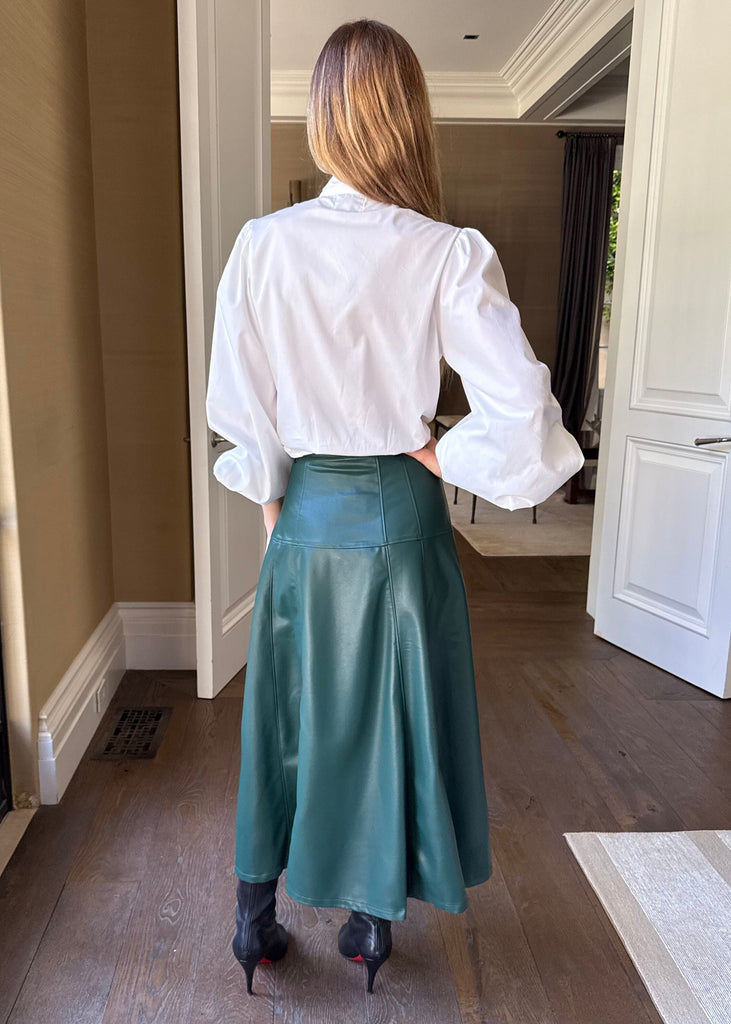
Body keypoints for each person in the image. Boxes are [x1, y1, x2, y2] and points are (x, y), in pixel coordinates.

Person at [205, 18, 584, 998]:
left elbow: (245, 420)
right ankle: (371, 927)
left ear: (326, 118)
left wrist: (277, 516)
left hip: (307, 516)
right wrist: (436, 448)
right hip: (405, 519)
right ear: (408, 117)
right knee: (390, 712)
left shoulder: (262, 247)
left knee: (286, 714)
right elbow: (530, 423)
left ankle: (252, 920)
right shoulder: (447, 251)